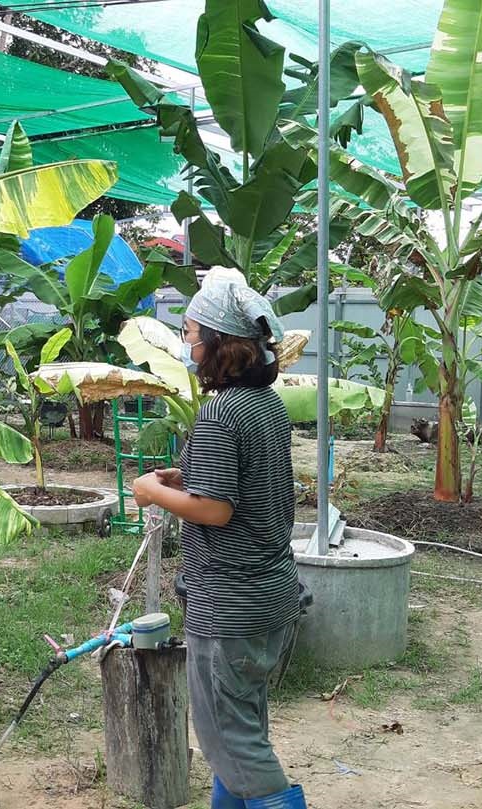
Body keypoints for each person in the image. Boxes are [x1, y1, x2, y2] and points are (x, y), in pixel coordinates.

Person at [131, 268, 306, 809]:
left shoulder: (220, 411)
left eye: (190, 334)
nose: (187, 344)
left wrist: (150, 492)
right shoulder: (263, 406)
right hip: (270, 596)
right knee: (237, 734)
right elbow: (240, 477)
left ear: (216, 344)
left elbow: (216, 509)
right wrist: (180, 479)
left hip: (229, 604)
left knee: (232, 743)